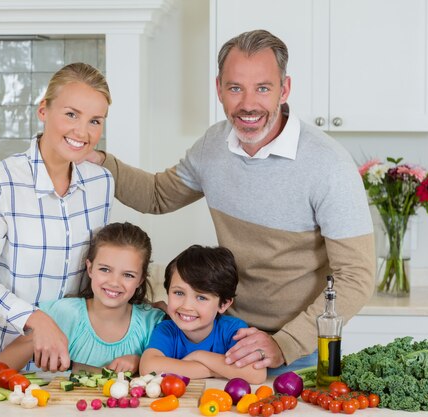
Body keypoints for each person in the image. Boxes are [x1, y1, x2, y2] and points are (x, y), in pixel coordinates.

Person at [86, 30, 375, 374]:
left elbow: (356, 276)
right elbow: (157, 195)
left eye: (263, 88)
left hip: (300, 351)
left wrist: (285, 344)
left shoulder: (328, 165)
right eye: (236, 88)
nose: (248, 104)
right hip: (225, 338)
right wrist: (95, 158)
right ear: (219, 88)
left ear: (285, 89)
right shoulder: (214, 145)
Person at [0, 62, 115, 371]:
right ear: (43, 110)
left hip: (69, 363)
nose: (83, 132)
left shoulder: (101, 183)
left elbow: (96, 271)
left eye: (95, 121)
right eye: (71, 114)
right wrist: (34, 319)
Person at [0, 222, 165, 373]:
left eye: (128, 275)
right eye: (105, 269)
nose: (114, 282)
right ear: (90, 268)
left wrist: (141, 362)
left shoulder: (152, 322)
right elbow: (2, 366)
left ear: (141, 279)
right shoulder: (64, 313)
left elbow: (176, 369)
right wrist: (37, 336)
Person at [140, 245, 267, 384]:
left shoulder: (234, 330)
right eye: (179, 293)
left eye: (201, 297)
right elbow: (148, 368)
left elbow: (256, 373)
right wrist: (217, 370)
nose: (186, 306)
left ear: (223, 304)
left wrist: (199, 355)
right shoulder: (166, 330)